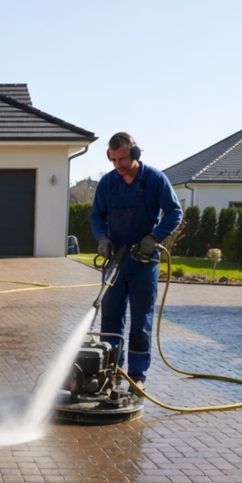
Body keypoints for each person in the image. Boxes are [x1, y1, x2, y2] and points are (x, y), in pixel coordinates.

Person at [90, 132, 182, 387]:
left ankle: (137, 376)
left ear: (135, 153)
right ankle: (111, 371)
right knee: (110, 318)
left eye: (122, 159)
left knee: (141, 321)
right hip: (115, 262)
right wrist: (102, 238)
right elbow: (97, 215)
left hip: (144, 262)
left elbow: (174, 212)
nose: (118, 165)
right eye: (113, 160)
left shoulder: (155, 180)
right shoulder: (108, 183)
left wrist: (155, 236)